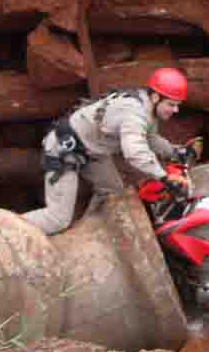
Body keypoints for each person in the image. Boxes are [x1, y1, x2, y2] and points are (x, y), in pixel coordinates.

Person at [22, 68, 198, 235]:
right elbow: (135, 152)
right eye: (171, 104)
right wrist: (164, 177)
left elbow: (151, 138)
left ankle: (87, 235)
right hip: (64, 150)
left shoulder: (147, 109)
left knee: (112, 195)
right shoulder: (133, 113)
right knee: (57, 219)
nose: (176, 110)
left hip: (90, 151)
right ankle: (0, 233)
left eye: (178, 105)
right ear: (155, 97)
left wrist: (175, 153)